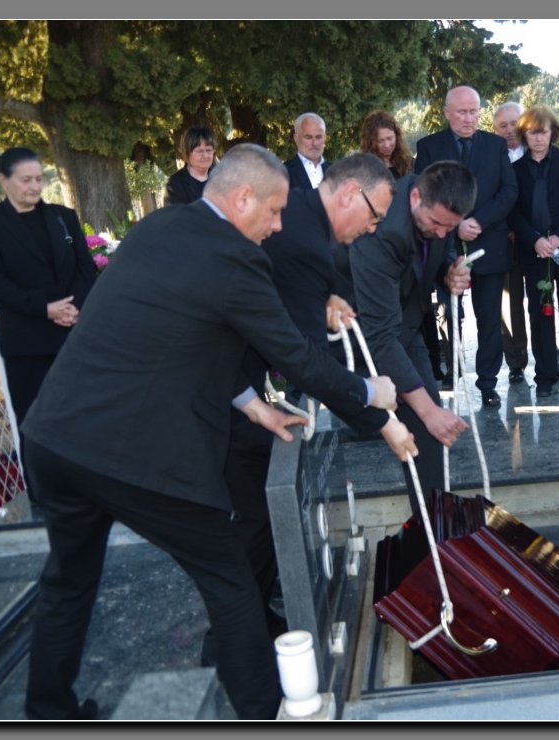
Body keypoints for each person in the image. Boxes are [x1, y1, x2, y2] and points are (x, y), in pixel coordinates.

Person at [20, 144, 414, 720]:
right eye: (274, 212)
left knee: (67, 581)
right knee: (231, 584)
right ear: (243, 197)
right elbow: (299, 358)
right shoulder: (236, 258)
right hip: (136, 454)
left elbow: (182, 328)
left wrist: (251, 405)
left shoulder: (158, 227)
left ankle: (47, 710)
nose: (277, 226)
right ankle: (261, 713)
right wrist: (370, 394)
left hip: (54, 438)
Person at [215, 153, 398, 661]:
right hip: (213, 391)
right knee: (248, 516)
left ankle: (254, 615)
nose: (372, 229)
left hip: (239, 387)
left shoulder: (299, 213)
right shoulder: (301, 236)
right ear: (350, 194)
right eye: (374, 217)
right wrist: (377, 410)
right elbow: (305, 360)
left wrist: (327, 298)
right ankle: (234, 642)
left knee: (256, 507)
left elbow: (299, 283)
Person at [335, 161, 477, 514]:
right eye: (436, 223)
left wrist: (448, 273)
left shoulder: (436, 207)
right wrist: (428, 410)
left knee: (429, 430)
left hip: (405, 322)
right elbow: (380, 336)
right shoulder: (381, 230)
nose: (442, 233)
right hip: (354, 333)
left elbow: (436, 252)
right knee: (421, 417)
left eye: (450, 227)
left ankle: (434, 525)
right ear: (415, 198)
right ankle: (429, 530)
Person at [0, 146, 98, 496]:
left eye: (39, 179)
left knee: (85, 415)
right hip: (27, 343)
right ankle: (46, 495)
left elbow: (85, 269)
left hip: (73, 335)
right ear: (4, 180)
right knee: (37, 421)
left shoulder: (63, 216)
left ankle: (93, 489)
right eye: (26, 180)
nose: (35, 186)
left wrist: (75, 308)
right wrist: (45, 309)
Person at [415, 85, 519, 408]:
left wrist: (479, 222)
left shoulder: (494, 145)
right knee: (449, 314)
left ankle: (488, 383)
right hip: (444, 245)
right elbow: (423, 194)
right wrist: (456, 223)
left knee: (490, 319)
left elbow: (509, 190)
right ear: (447, 113)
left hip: (488, 242)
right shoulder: (429, 147)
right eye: (462, 111)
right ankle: (452, 371)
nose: (469, 118)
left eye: (474, 111)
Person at [507, 105, 559, 398]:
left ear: (553, 133)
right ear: (524, 135)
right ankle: (545, 375)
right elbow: (513, 211)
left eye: (543, 132)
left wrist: (558, 238)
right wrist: (534, 240)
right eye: (532, 133)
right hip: (534, 252)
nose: (538, 138)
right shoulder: (516, 170)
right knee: (539, 312)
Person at [492, 101, 529, 385]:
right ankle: (516, 360)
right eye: (502, 126)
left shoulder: (539, 149)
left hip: (538, 239)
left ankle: (549, 353)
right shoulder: (491, 157)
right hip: (506, 239)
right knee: (510, 302)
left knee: (545, 300)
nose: (509, 130)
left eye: (513, 124)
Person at [164, 126, 216, 205]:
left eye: (208, 150)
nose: (205, 155)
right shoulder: (175, 184)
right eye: (199, 151)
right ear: (187, 153)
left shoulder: (222, 177)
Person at [359, 110, 413, 179]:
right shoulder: (364, 169)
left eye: (389, 138)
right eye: (380, 141)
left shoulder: (409, 163)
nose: (386, 145)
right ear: (371, 142)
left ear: (396, 136)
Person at [284, 112, 330, 190]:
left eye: (318, 137)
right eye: (308, 137)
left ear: (324, 138)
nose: (314, 143)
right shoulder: (283, 173)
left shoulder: (337, 172)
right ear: (296, 138)